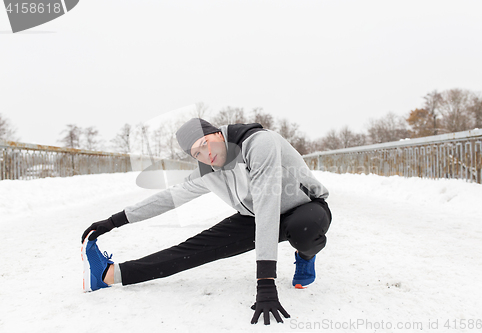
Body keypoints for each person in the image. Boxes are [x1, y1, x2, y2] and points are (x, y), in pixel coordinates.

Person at [81, 118, 332, 325]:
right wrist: (113, 221)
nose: (205, 154)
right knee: (194, 249)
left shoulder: (259, 143)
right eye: (196, 153)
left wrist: (265, 282)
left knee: (303, 230)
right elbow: (170, 198)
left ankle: (306, 257)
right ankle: (110, 275)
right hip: (254, 217)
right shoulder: (207, 170)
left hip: (305, 207)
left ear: (217, 133)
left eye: (205, 144)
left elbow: (268, 203)